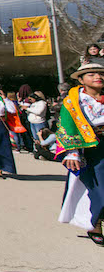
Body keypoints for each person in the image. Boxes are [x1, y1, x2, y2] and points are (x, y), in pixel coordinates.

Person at [56, 62, 104, 246]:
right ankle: (95, 224)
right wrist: (73, 152)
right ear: (81, 80)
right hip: (90, 147)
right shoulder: (73, 101)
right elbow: (67, 126)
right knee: (97, 188)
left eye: (100, 74)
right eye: (91, 74)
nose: (97, 77)